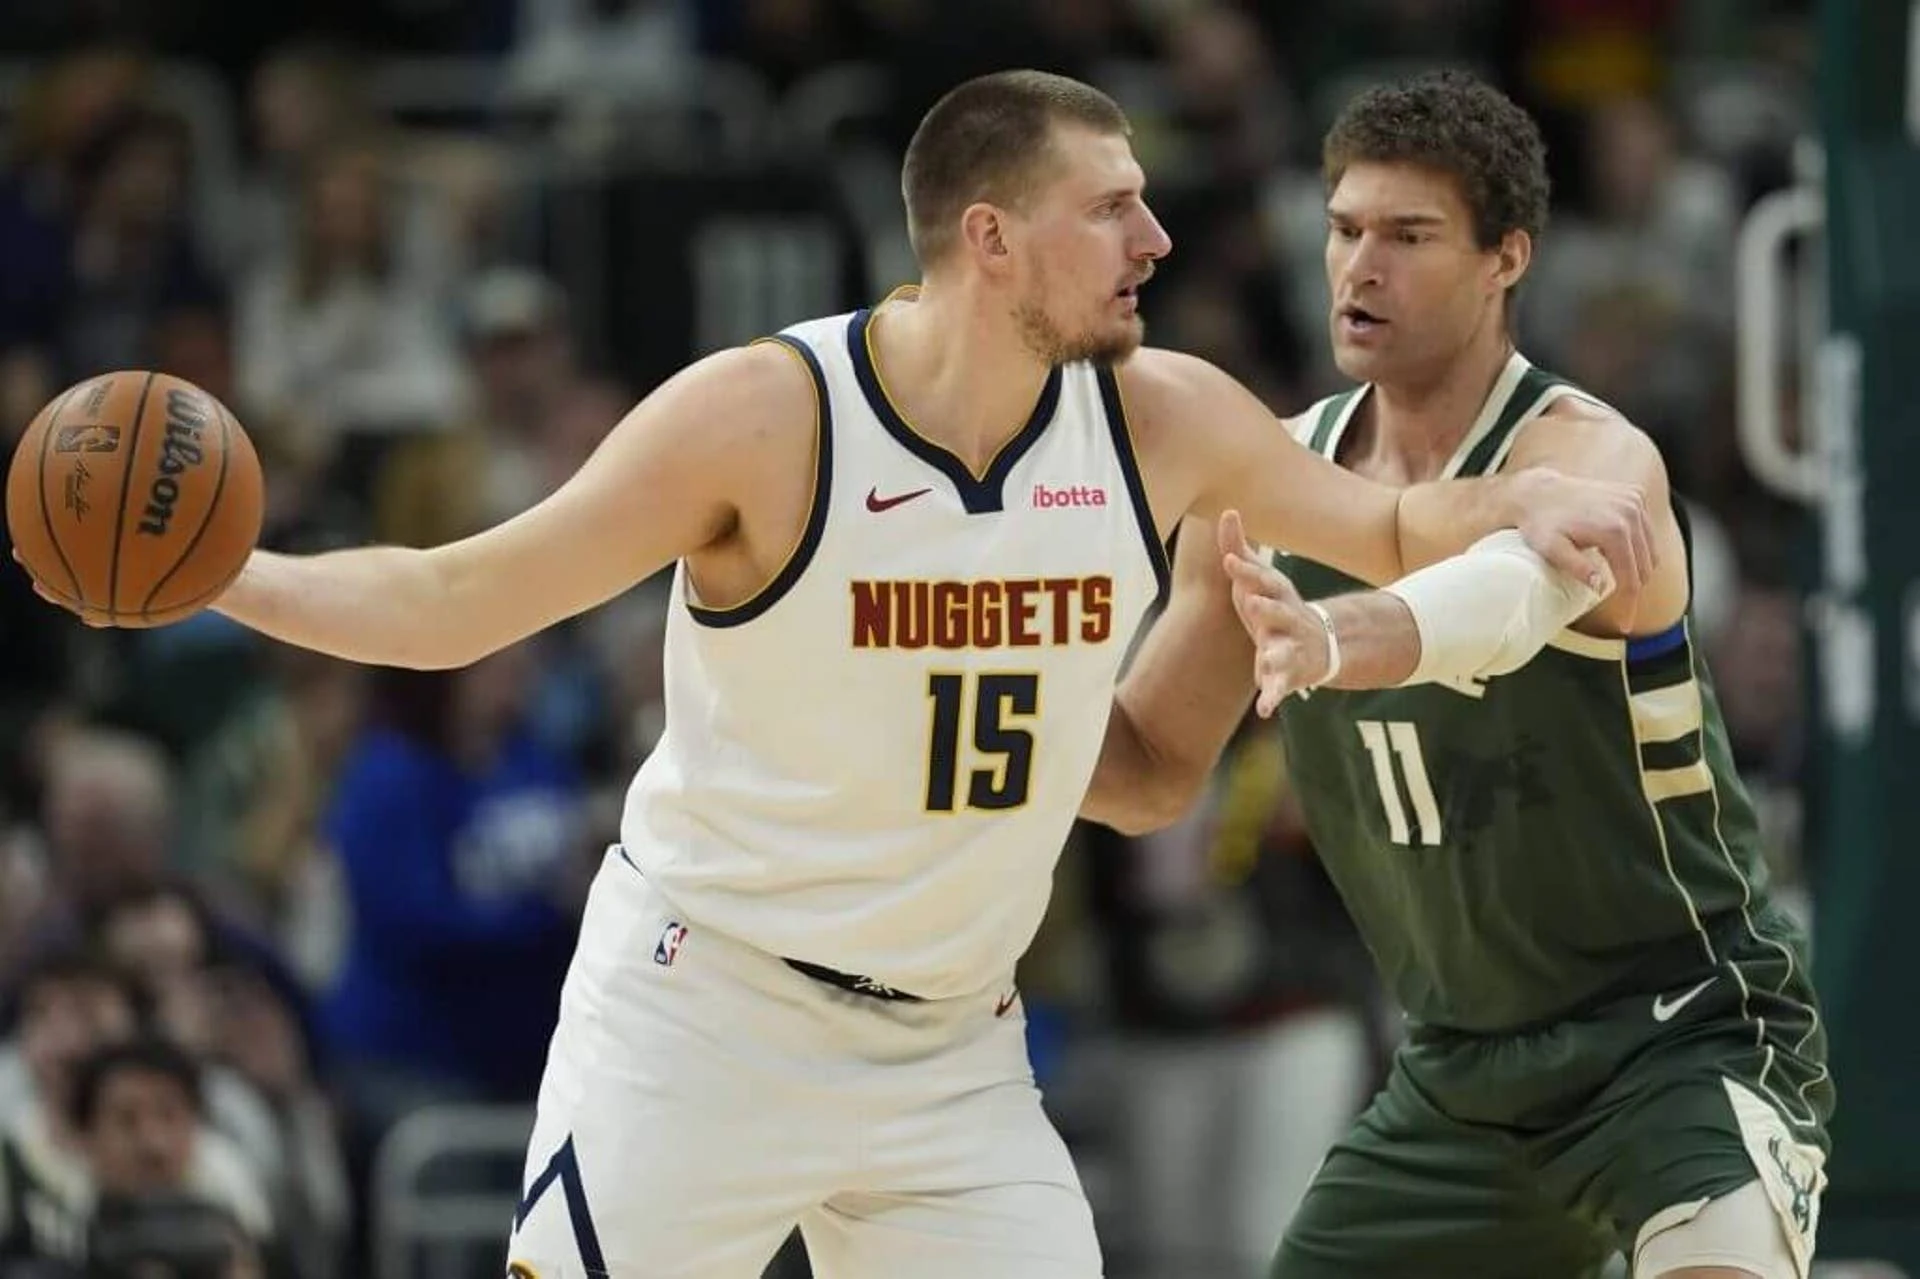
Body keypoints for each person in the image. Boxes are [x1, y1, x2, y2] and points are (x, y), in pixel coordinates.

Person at [22, 71, 1650, 1279]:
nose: (1160, 234)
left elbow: (1383, 516)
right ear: (993, 241)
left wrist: (1523, 494)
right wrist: (223, 575)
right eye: (1115, 206)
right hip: (704, 1006)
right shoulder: (767, 415)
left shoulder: (1164, 417)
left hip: (948, 1046)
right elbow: (456, 598)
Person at [1086, 71, 1831, 1279]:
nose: (1358, 267)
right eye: (1343, 230)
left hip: (1680, 1038)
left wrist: (1338, 639)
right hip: (1462, 1076)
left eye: (1408, 236)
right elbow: (1151, 772)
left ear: (1507, 259)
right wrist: (965, 705)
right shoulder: (1270, 478)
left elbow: (1502, 603)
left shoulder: (1593, 455)